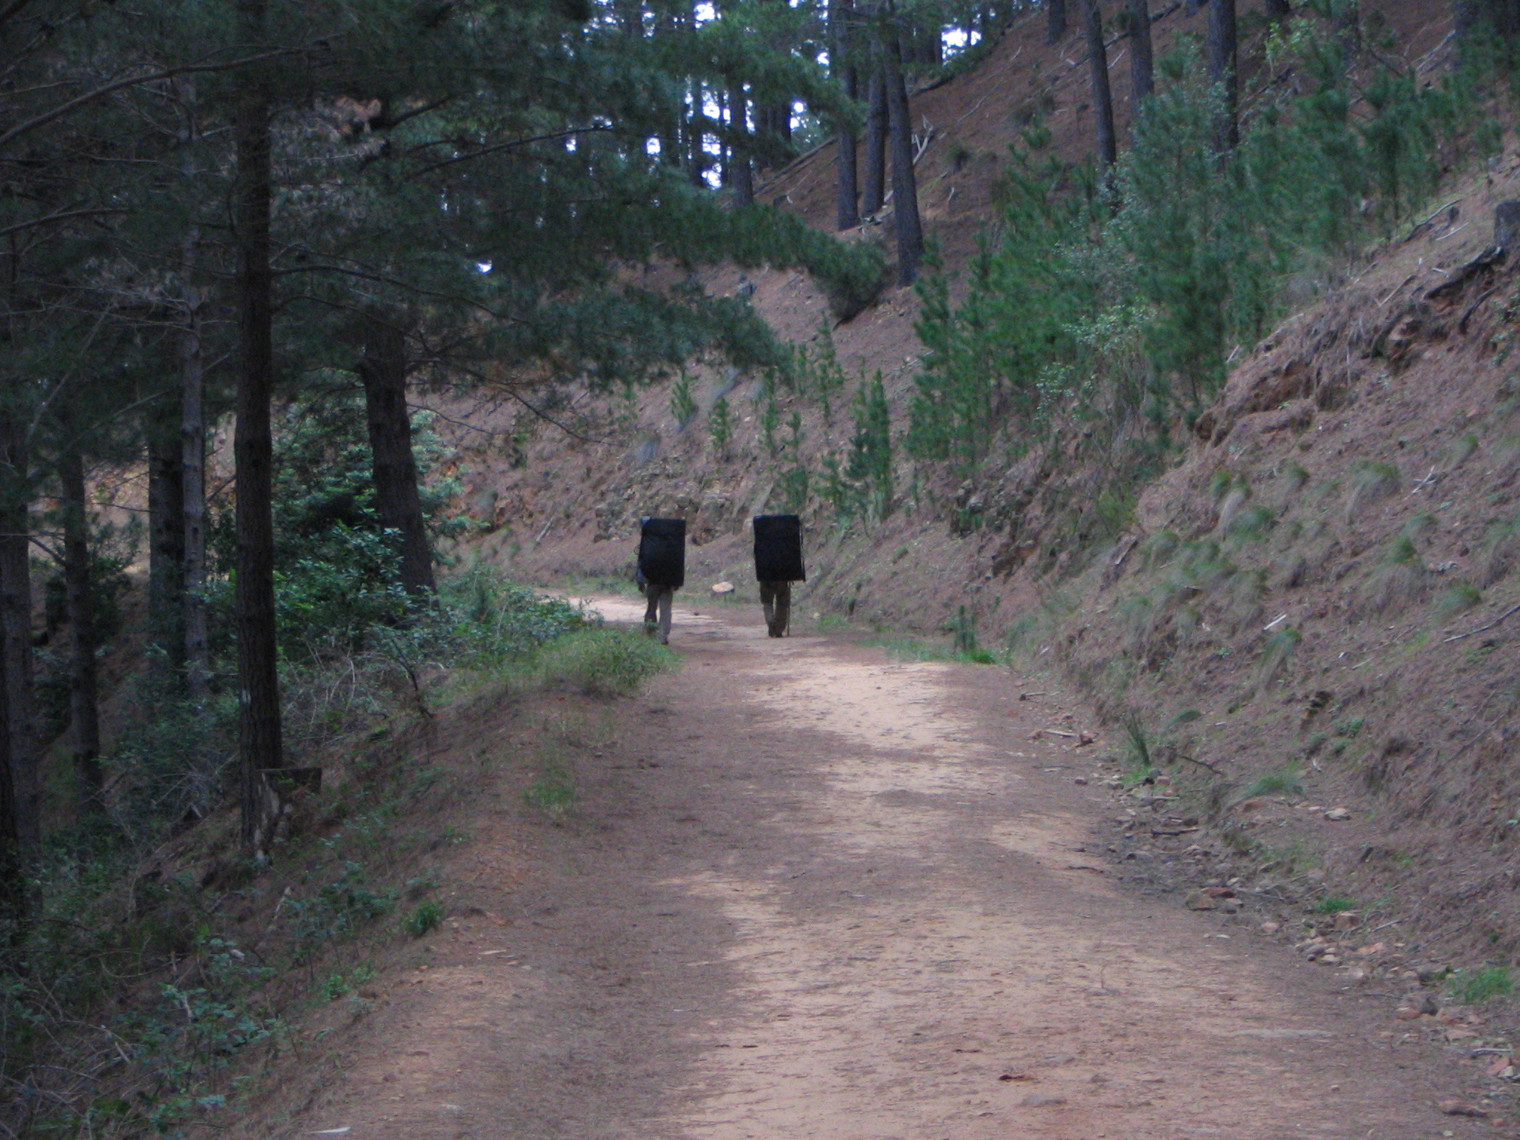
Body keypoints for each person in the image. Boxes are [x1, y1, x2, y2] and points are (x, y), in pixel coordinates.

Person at [753, 514, 804, 638]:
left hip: (766, 573)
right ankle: (779, 628)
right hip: (783, 573)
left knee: (767, 601)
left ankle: (771, 623)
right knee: (782, 602)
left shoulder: (763, 538)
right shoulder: (787, 539)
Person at [637, 517, 685, 645]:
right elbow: (678, 561)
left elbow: (642, 562)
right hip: (668, 582)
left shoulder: (648, 543)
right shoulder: (673, 542)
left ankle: (650, 634)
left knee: (651, 608)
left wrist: (640, 581)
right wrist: (677, 582)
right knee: (666, 609)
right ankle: (663, 637)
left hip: (652, 581)